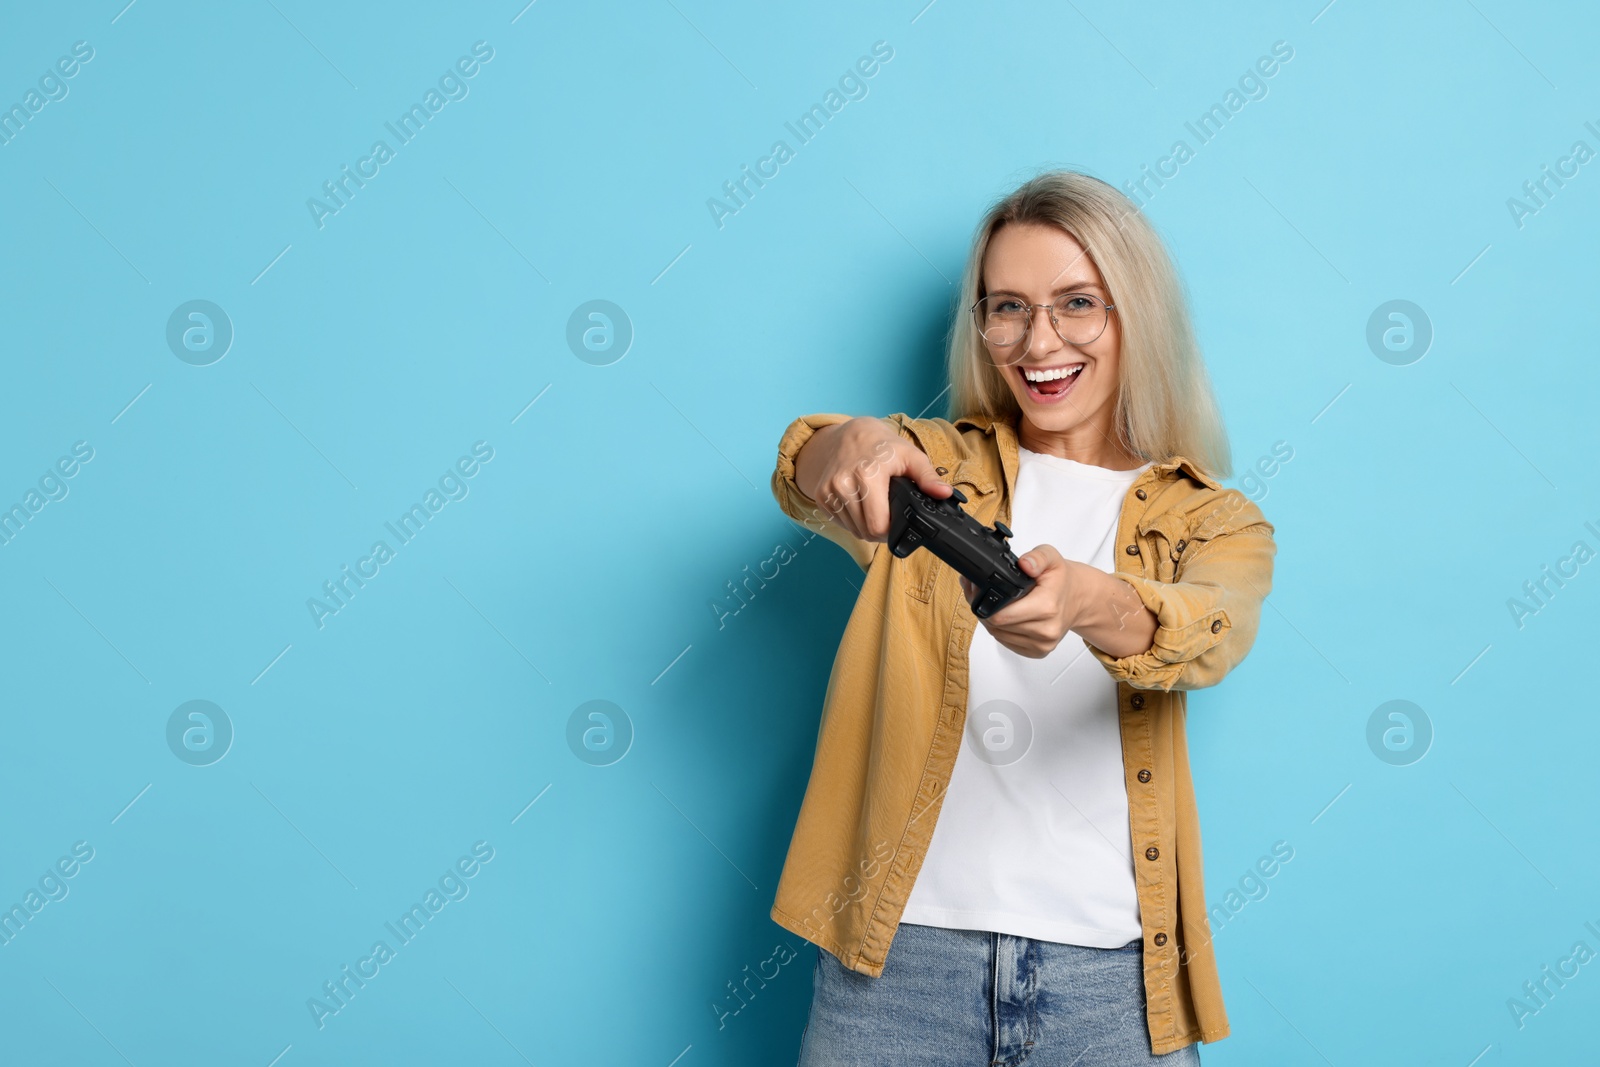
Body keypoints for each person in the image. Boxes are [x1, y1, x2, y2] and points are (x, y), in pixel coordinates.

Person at [767, 170, 1277, 1065]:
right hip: (894, 972)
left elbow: (1207, 631)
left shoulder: (1215, 521)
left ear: (1136, 314)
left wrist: (1086, 600)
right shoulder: (937, 467)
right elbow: (809, 468)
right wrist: (849, 443)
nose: (1038, 340)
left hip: (1112, 988)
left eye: (1077, 303)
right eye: (1006, 308)